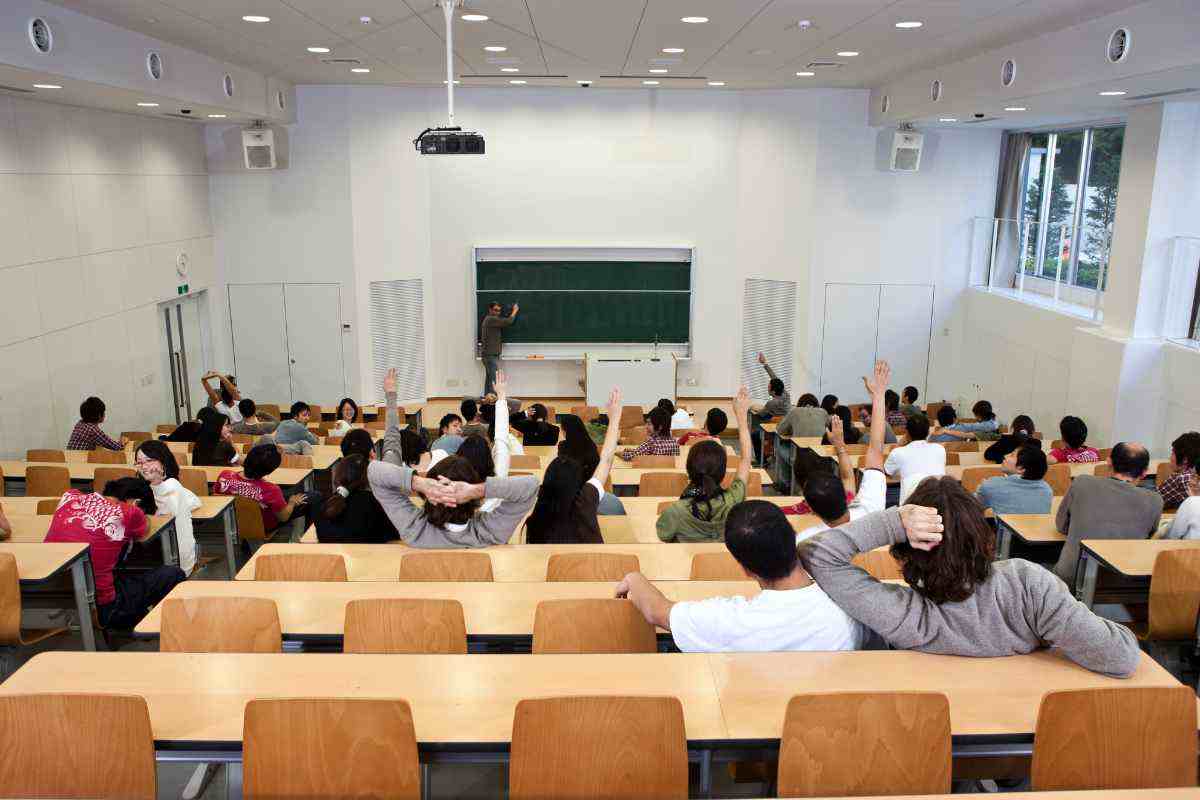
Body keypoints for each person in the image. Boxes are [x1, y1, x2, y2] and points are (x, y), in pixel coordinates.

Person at [798, 477, 1141, 677]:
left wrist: (895, 522)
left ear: (905, 548)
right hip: (1021, 734)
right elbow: (1123, 657)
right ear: (983, 534)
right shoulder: (1029, 586)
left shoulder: (901, 614)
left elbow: (817, 553)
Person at [617, 500, 866, 652]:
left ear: (746, 569)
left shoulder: (731, 619)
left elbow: (657, 612)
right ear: (793, 539)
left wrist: (634, 578)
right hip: (830, 728)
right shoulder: (850, 603)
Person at [44, 477, 186, 629]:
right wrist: (141, 514)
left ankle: (135, 620)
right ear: (136, 503)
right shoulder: (130, 512)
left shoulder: (70, 496)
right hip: (102, 606)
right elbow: (143, 530)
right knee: (173, 574)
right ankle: (155, 628)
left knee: (116, 573)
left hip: (53, 590)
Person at [793, 362, 890, 539]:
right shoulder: (869, 511)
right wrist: (879, 395)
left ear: (811, 508)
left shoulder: (805, 541)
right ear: (846, 496)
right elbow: (876, 450)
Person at [367, 455, 537, 548]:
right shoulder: (490, 533)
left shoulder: (415, 529)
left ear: (429, 496)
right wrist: (477, 490)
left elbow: (374, 472)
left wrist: (419, 483)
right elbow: (531, 486)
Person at [1053, 442, 1162, 583]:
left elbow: (1061, 526)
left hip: (1073, 577)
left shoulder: (1081, 483)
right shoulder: (1155, 500)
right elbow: (1148, 539)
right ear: (1144, 472)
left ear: (1109, 462)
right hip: (1123, 580)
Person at [525, 389, 623, 543]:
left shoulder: (535, 518)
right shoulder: (586, 501)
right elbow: (606, 459)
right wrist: (615, 418)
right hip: (591, 564)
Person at [657, 387, 753, 542]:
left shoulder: (676, 511)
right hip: (722, 565)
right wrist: (741, 417)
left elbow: (663, 537)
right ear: (722, 473)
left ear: (688, 469)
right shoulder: (734, 500)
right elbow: (746, 459)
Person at [134, 440, 201, 574]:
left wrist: (157, 483)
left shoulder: (171, 485)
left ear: (163, 461)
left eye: (149, 460)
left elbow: (164, 521)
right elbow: (194, 500)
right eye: (139, 462)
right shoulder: (145, 487)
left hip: (173, 561)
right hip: (157, 552)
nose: (144, 466)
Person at [213, 443, 309, 537]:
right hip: (260, 526)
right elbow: (283, 517)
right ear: (269, 471)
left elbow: (216, 496)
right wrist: (292, 503)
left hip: (228, 525)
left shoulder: (225, 475)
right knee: (313, 497)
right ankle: (297, 541)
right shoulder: (271, 489)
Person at [311, 454, 399, 544]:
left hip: (331, 557)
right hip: (371, 557)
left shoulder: (322, 504)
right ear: (367, 477)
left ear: (338, 475)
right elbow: (395, 536)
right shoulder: (377, 502)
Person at [884, 413, 946, 503]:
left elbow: (887, 472)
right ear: (928, 432)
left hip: (910, 506)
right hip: (939, 504)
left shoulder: (898, 452)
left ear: (907, 433)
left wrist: (899, 444)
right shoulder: (940, 449)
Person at [975, 444, 1052, 515]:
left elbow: (974, 506)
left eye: (1012, 455)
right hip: (1037, 530)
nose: (1005, 456)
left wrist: (980, 489)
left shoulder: (991, 485)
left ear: (1020, 468)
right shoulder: (1047, 489)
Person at [747, 353, 791, 464]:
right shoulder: (786, 395)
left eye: (769, 386)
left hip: (775, 426)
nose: (768, 387)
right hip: (785, 424)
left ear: (773, 391)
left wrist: (753, 408)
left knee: (754, 431)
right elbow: (775, 378)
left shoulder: (771, 403)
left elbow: (761, 414)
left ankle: (761, 459)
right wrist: (765, 364)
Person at [480, 301, 518, 396]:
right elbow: (508, 321)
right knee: (493, 380)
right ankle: (492, 403)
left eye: (499, 311)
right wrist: (515, 311)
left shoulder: (492, 320)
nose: (498, 313)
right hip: (489, 355)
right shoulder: (491, 319)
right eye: (496, 310)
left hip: (490, 355)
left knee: (490, 379)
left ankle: (487, 401)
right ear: (490, 310)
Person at [1159, 431, 1200, 511]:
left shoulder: (1180, 478)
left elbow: (1153, 502)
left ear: (1185, 460)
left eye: (1172, 453)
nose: (1170, 458)